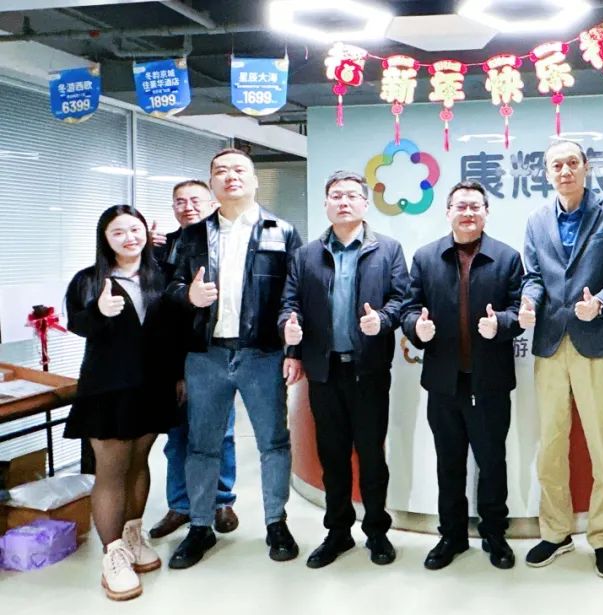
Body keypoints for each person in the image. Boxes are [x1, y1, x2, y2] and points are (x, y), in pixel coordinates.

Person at [165, 148, 302, 569]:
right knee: (202, 445)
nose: (230, 177)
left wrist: (292, 348)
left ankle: (276, 523)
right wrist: (188, 296)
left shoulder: (282, 231)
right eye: (221, 171)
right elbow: (169, 289)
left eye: (239, 169)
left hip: (262, 354)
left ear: (255, 180)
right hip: (206, 356)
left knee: (273, 443)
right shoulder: (190, 236)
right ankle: (200, 526)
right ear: (212, 183)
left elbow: (294, 295)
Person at [519, 139, 603, 578]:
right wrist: (529, 302)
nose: (565, 171)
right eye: (557, 165)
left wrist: (602, 302)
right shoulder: (536, 219)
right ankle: (556, 532)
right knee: (551, 443)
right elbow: (534, 276)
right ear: (547, 172)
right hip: (551, 342)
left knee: (602, 443)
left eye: (572, 162)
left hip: (598, 340)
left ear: (586, 167)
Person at [278, 171, 407, 569]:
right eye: (336, 195)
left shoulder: (388, 250)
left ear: (365, 204)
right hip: (324, 371)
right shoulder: (306, 255)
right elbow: (290, 303)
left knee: (371, 456)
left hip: (369, 370)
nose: (344, 202)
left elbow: (402, 299)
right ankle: (338, 532)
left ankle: (377, 531)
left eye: (352, 195)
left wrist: (382, 320)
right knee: (332, 456)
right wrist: (289, 330)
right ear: (326, 204)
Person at [401, 180, 523, 571]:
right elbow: (409, 308)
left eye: (475, 206)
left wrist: (501, 323)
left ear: (486, 212)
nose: (468, 213)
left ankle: (494, 534)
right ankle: (451, 536)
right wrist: (415, 329)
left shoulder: (507, 258)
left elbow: (520, 311)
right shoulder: (425, 257)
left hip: (490, 383)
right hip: (443, 383)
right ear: (448, 212)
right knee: (449, 463)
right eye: (460, 206)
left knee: (492, 463)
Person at [63, 205, 179, 600]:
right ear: (105, 239)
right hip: (107, 388)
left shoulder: (161, 276)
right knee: (111, 470)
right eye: (118, 232)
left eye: (135, 229)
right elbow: (77, 324)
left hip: (153, 386)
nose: (129, 237)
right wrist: (98, 311)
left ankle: (132, 535)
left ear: (147, 232)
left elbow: (175, 330)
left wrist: (179, 375)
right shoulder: (89, 280)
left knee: (139, 463)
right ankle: (112, 555)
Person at [149, 180, 239, 539]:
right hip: (174, 357)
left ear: (213, 204)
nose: (187, 207)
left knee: (222, 434)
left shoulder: (229, 243)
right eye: (180, 201)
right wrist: (146, 253)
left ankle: (221, 501)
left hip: (216, 355)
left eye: (195, 200)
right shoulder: (162, 249)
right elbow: (156, 308)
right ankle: (181, 505)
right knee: (178, 438)